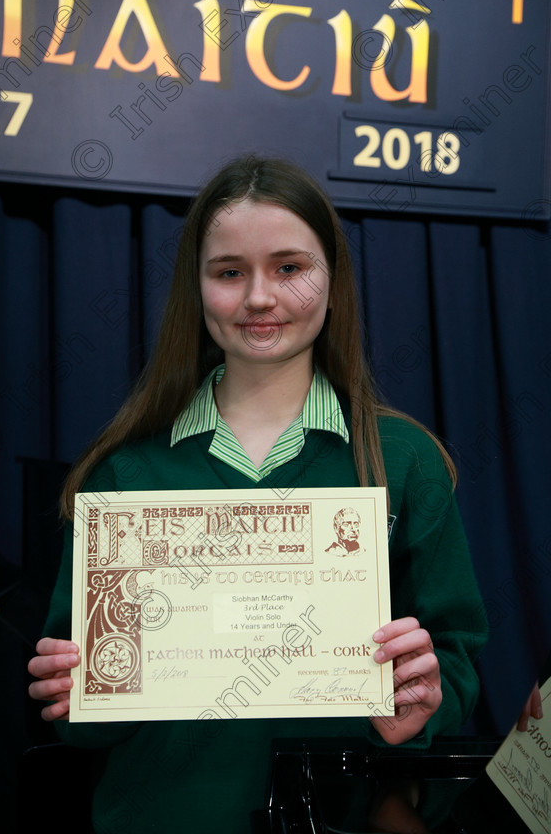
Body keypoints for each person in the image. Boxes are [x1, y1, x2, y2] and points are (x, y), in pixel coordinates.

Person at [28, 155, 488, 833]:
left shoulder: (405, 461)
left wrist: (428, 697)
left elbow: (458, 659)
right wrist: (76, 698)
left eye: (289, 267)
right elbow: (84, 718)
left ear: (333, 282)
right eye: (229, 272)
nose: (260, 298)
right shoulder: (123, 472)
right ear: (198, 288)